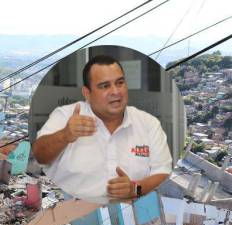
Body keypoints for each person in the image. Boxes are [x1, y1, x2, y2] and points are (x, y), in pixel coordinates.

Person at [33, 55, 172, 200]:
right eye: (105, 86)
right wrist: (64, 135)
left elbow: (162, 172)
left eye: (120, 83)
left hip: (130, 215)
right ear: (87, 93)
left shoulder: (148, 123)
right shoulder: (66, 116)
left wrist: (135, 188)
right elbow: (40, 155)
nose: (116, 91)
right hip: (71, 214)